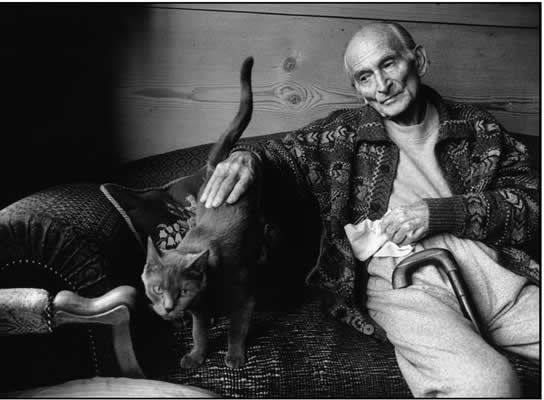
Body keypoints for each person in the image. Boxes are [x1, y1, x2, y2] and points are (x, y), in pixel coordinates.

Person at [199, 22, 540, 397]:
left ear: (419, 60)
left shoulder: (479, 128)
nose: (381, 84)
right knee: (489, 385)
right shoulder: (341, 135)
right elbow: (282, 158)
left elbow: (531, 208)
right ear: (359, 91)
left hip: (493, 272)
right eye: (365, 76)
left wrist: (441, 213)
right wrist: (246, 159)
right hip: (405, 282)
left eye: (389, 64)